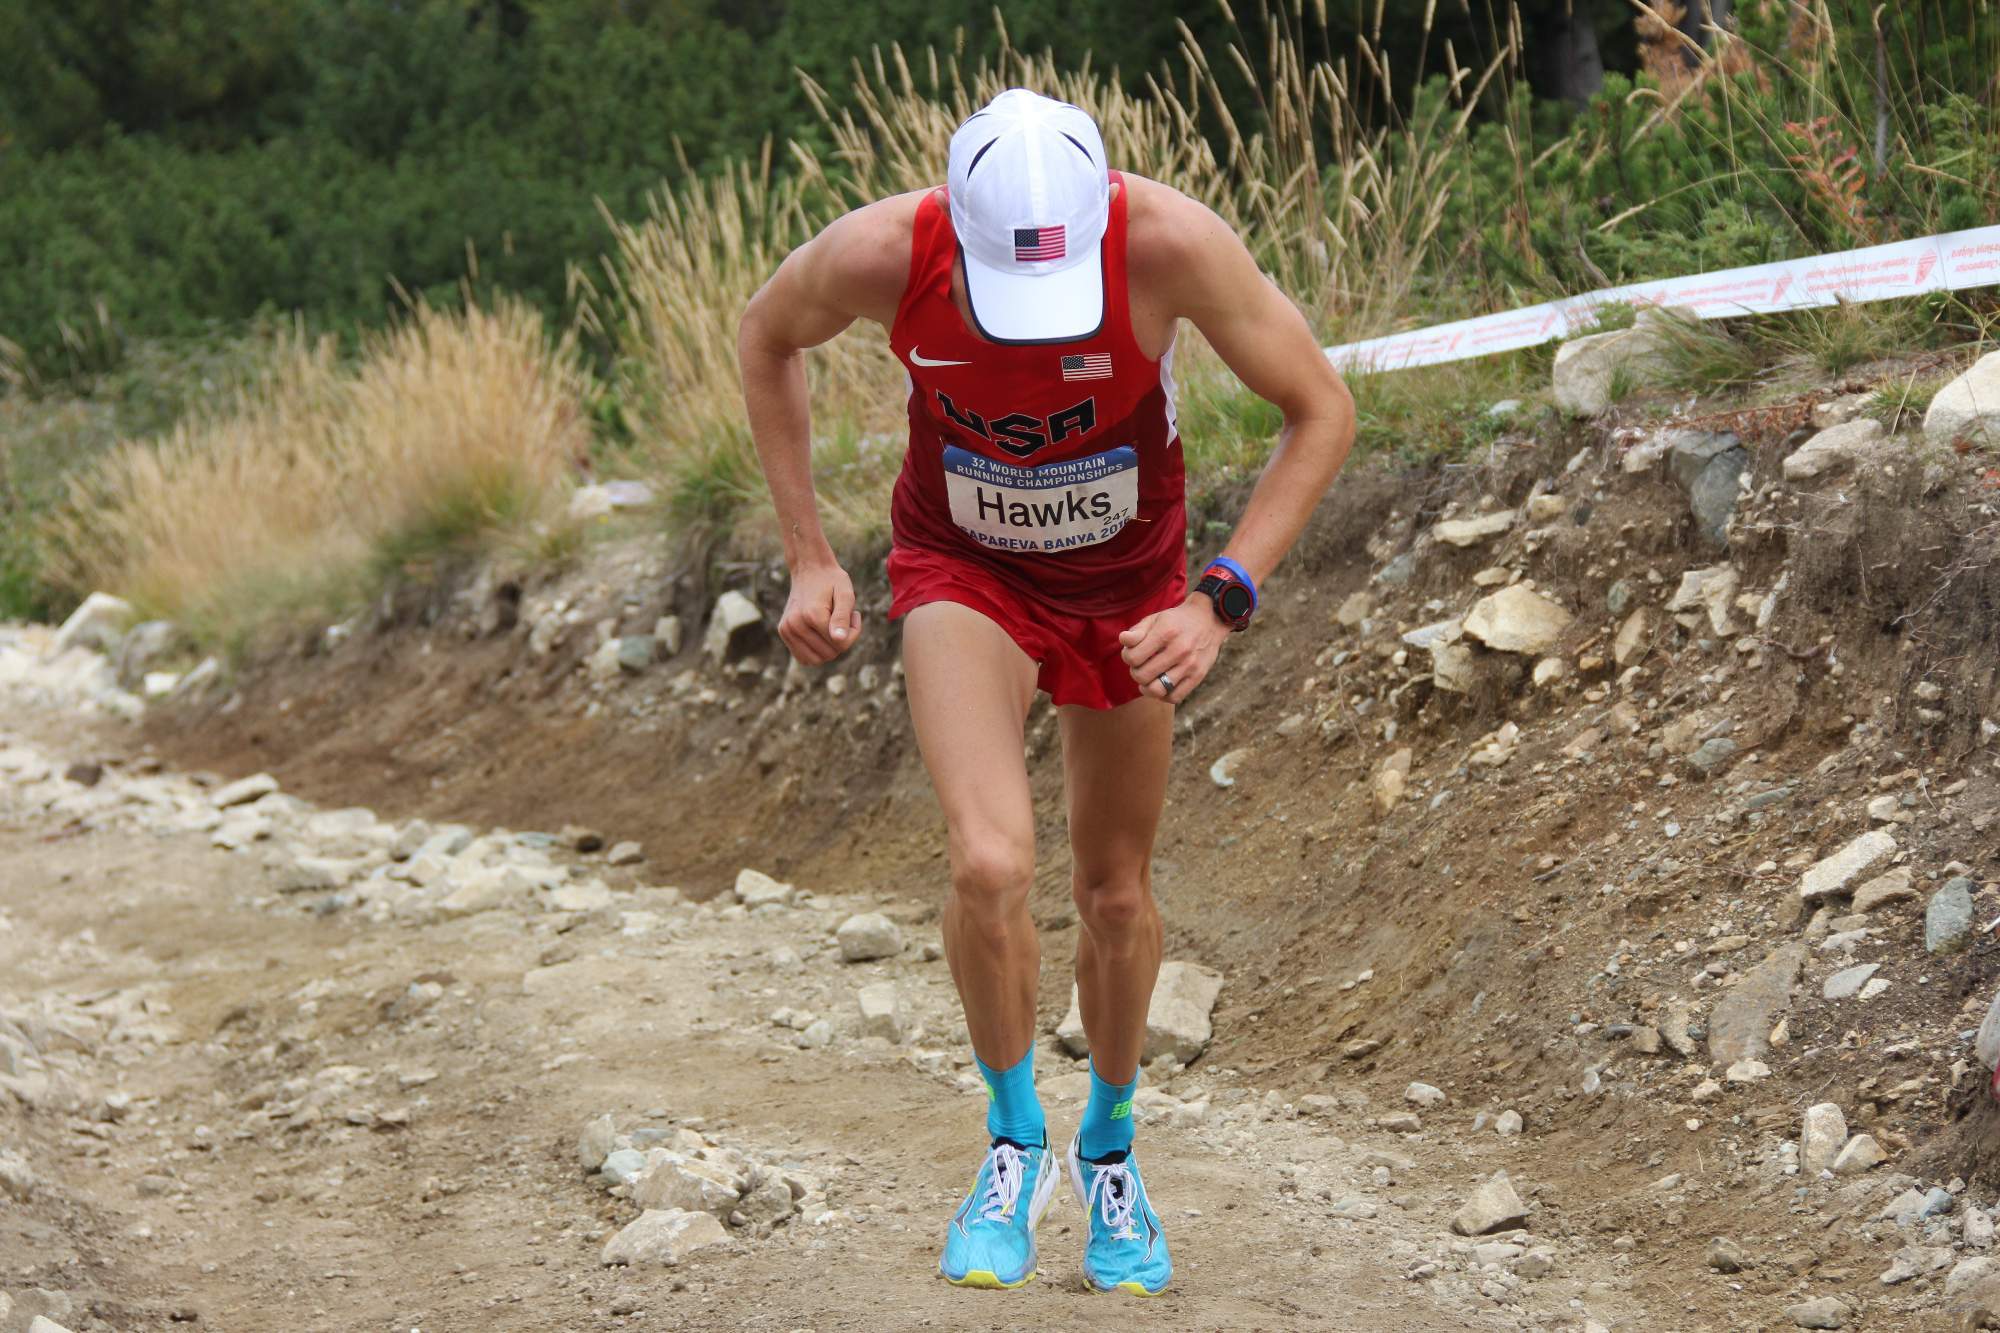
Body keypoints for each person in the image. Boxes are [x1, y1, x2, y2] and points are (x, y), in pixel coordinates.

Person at [738, 88, 1354, 1295]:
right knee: (988, 863)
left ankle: (1108, 1149)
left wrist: (1218, 597)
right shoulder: (881, 251)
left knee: (1113, 892)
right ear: (956, 230)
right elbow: (766, 336)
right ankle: (1013, 1142)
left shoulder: (1170, 242)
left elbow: (1319, 408)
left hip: (1128, 587)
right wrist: (807, 554)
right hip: (962, 570)